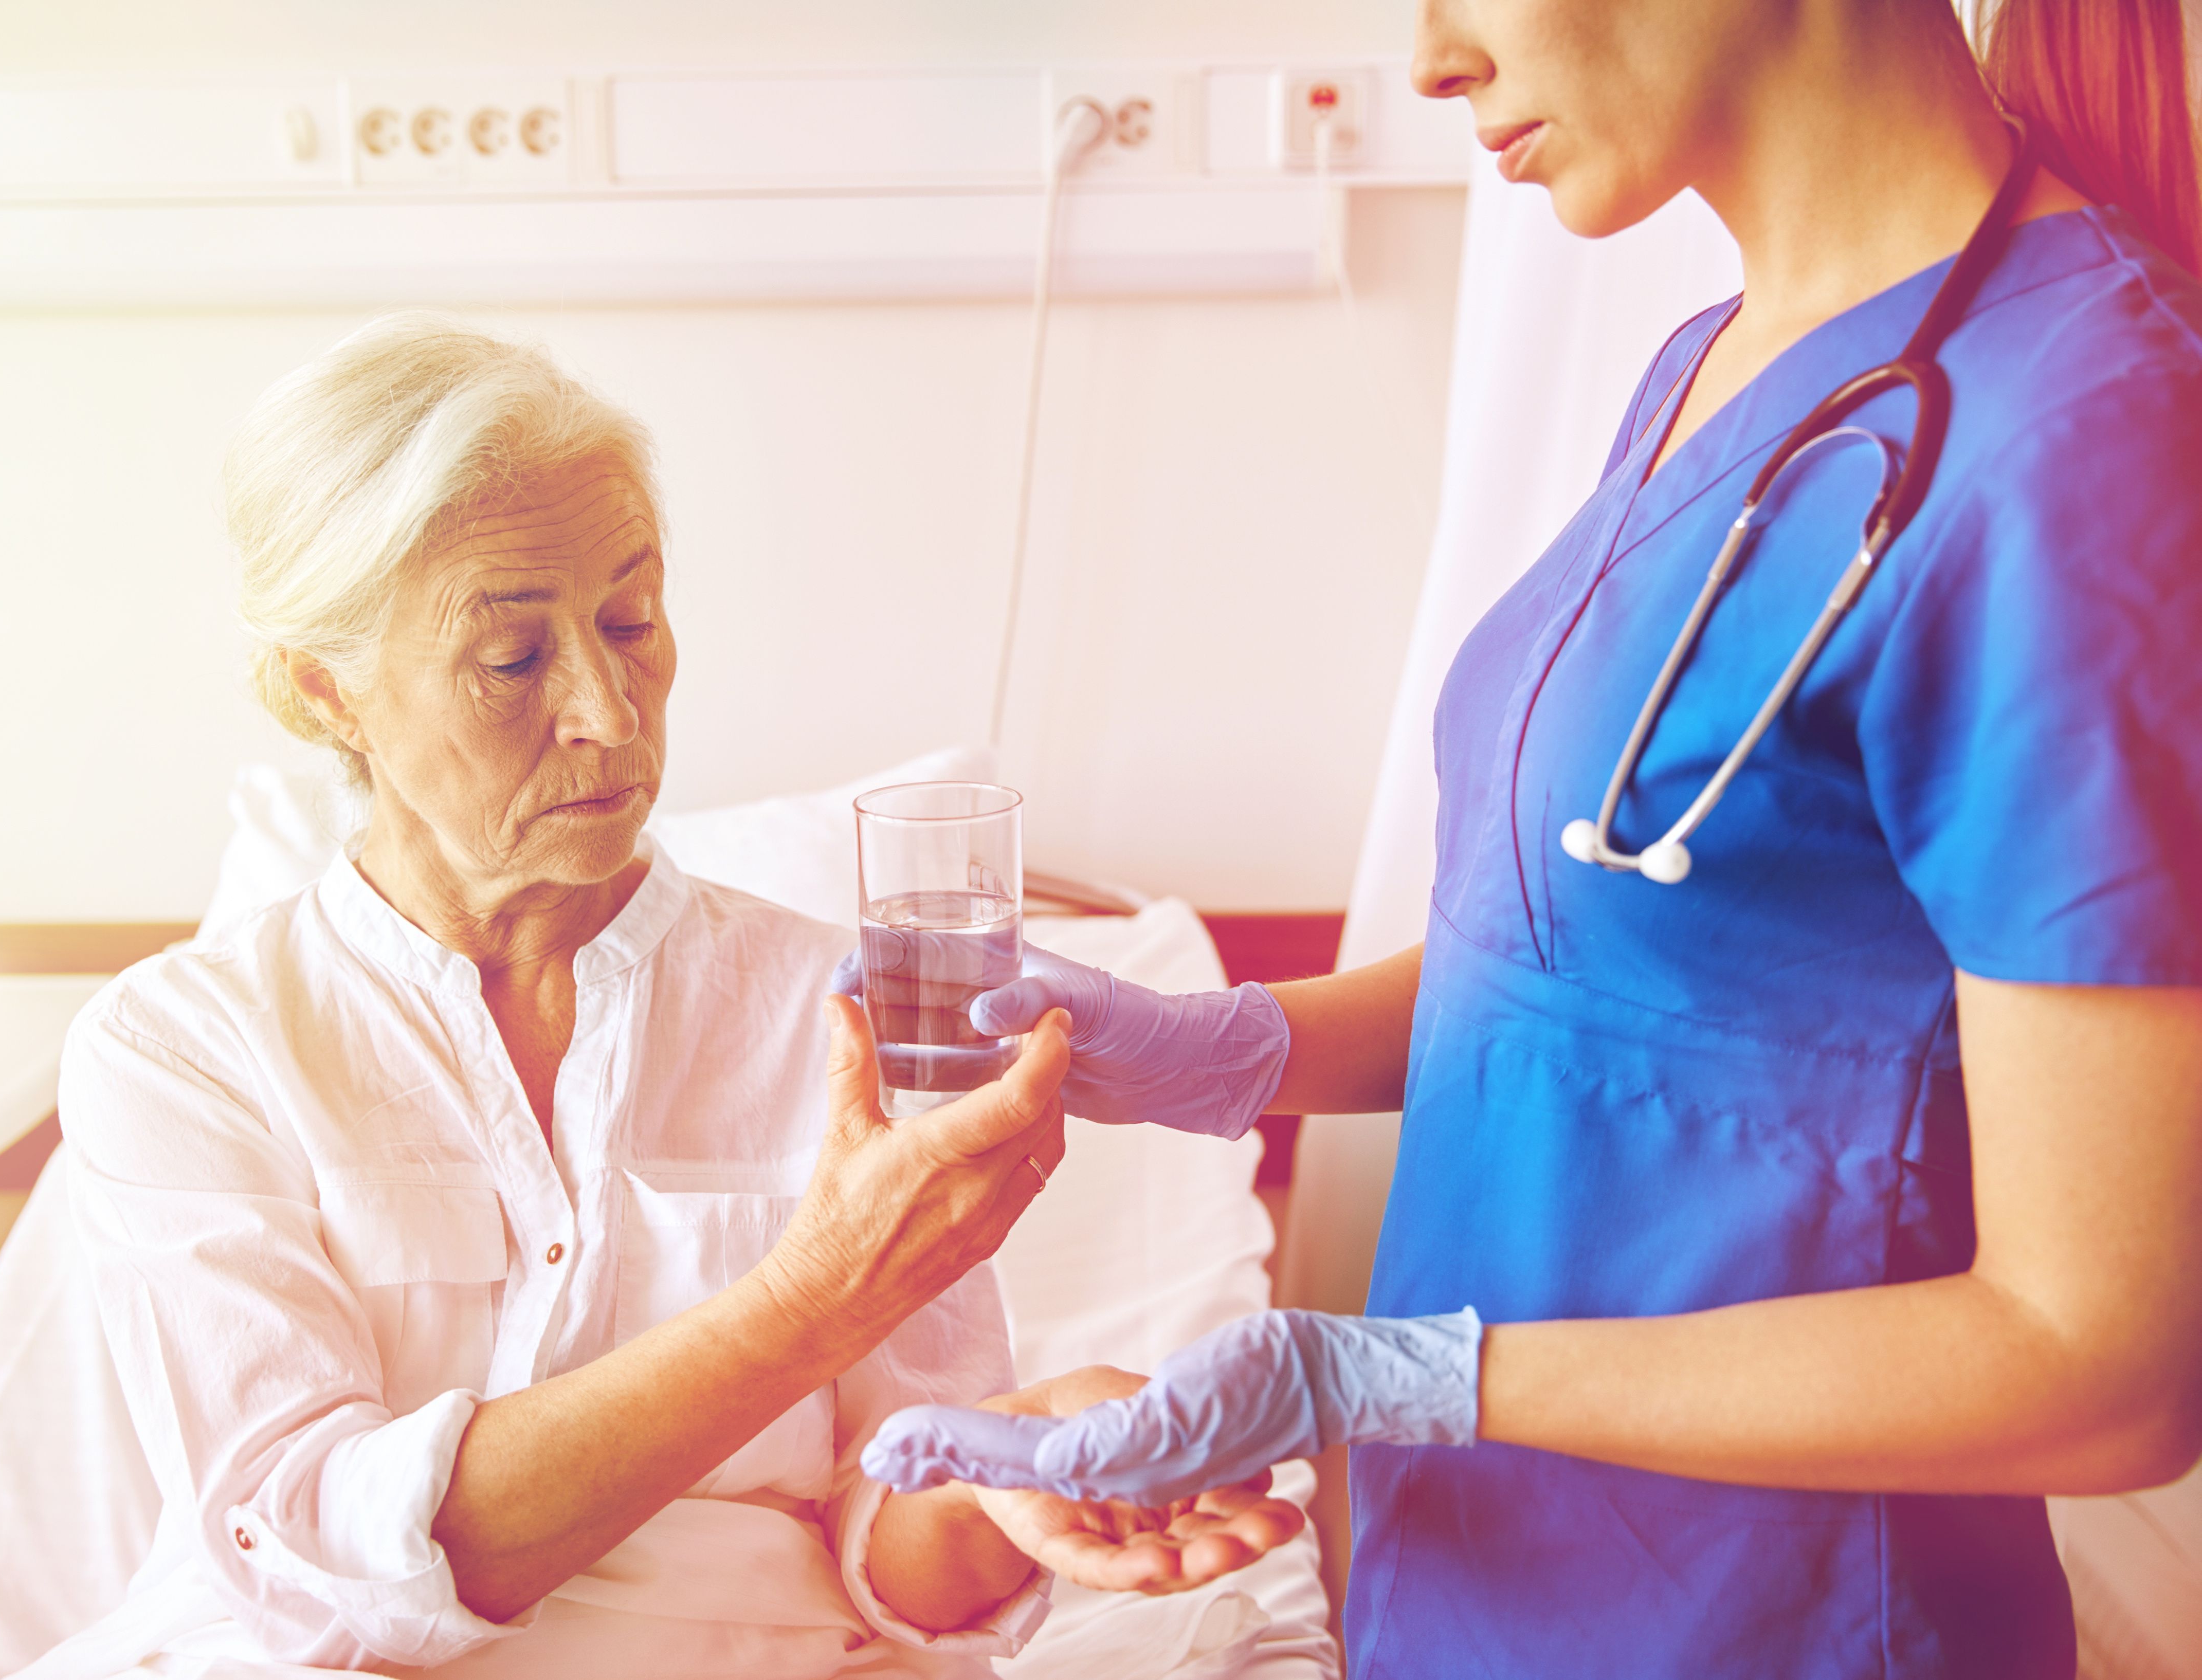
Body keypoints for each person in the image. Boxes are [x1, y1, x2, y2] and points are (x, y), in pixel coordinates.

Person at [860, 2, 2202, 1674]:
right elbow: (1606, 974)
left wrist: (1395, 1373)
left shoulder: (2085, 435)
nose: (1430, 61)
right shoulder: (1721, 360)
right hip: (1477, 1598)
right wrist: (1233, 1050)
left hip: (1768, 1627)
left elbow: (2105, 1363)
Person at [42, 315, 1301, 1680]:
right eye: (513, 658)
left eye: (632, 621)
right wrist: (812, 1295)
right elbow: (318, 1565)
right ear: (323, 690)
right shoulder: (184, 1051)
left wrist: (1027, 1464)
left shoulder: (841, 1012)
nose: (610, 709)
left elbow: (898, 1554)